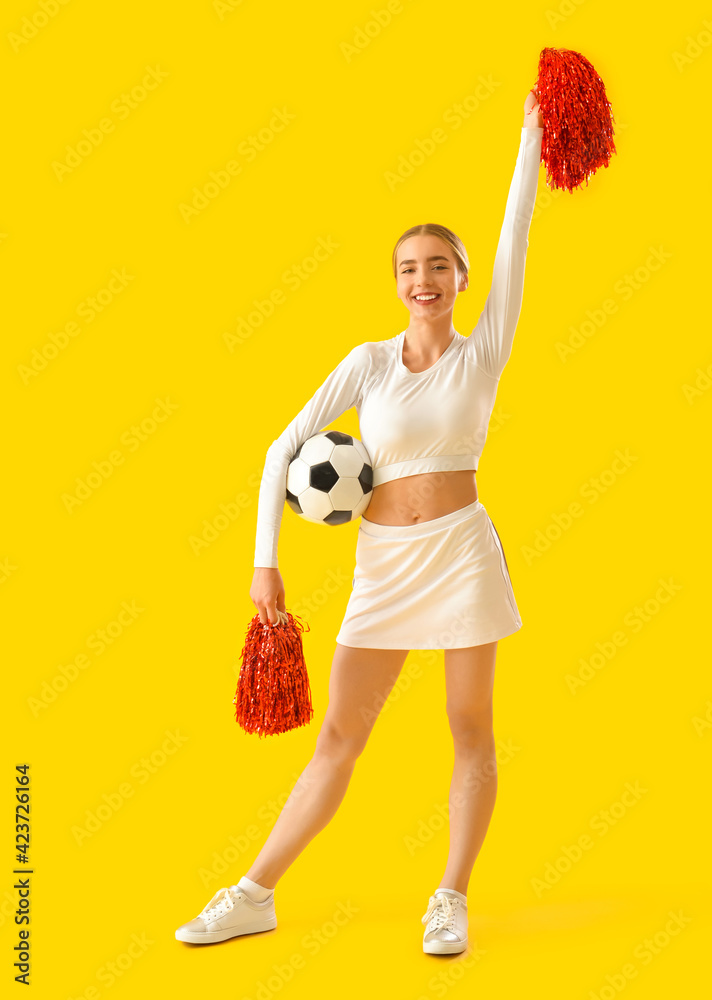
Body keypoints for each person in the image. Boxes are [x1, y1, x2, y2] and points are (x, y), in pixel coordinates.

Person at [176, 88, 544, 955]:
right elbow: (280, 449)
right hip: (384, 564)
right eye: (410, 267)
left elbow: (518, 231)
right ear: (396, 283)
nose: (425, 279)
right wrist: (265, 564)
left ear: (461, 278)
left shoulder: (484, 350)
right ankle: (254, 891)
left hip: (462, 556)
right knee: (340, 736)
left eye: (440, 265)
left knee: (470, 728)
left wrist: (531, 131)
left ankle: (450, 896)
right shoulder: (368, 363)